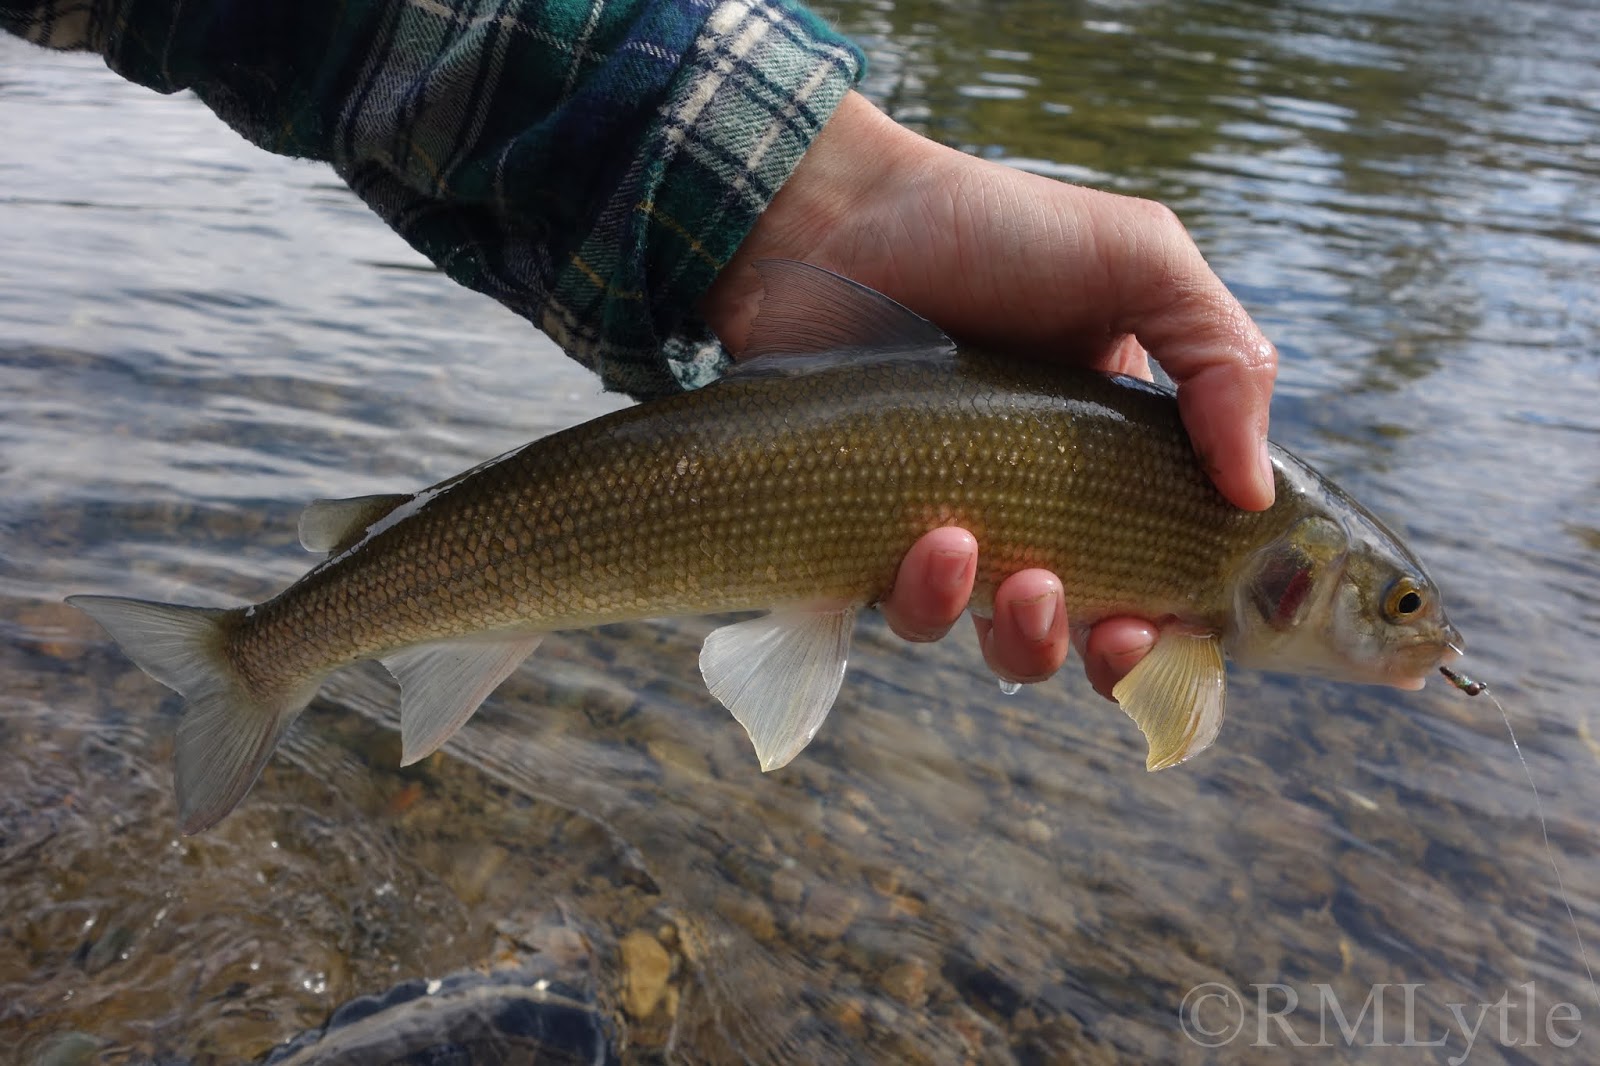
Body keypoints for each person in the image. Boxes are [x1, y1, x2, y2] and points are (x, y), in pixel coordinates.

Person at [3, 0, 1276, 701]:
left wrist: (832, 200)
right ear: (1293, 581)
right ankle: (256, 658)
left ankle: (264, 651)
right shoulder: (1239, 532)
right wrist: (825, 202)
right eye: (1378, 605)